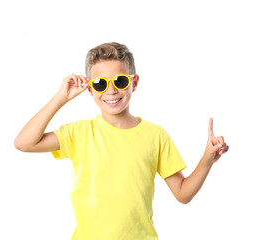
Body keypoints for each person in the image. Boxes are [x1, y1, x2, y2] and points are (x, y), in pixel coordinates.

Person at [14, 42, 229, 239]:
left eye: (120, 80)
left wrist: (207, 159)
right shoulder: (80, 133)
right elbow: (24, 143)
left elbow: (182, 194)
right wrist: (61, 97)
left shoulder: (156, 136)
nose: (111, 90)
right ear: (90, 88)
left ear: (134, 83)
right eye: (100, 83)